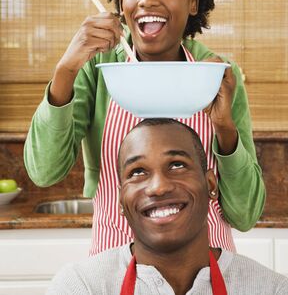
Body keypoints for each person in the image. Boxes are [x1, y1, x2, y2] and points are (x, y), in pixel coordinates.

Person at [24, 0, 265, 255]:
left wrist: (225, 127)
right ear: (122, 2)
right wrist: (65, 71)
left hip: (205, 266)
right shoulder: (97, 68)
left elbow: (245, 215)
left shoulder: (218, 73)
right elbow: (44, 172)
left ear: (193, 0)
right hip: (115, 262)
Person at [46, 119, 287, 295]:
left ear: (211, 184)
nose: (158, 187)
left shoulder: (270, 289)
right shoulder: (81, 286)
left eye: (177, 165)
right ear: (121, 201)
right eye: (137, 172)